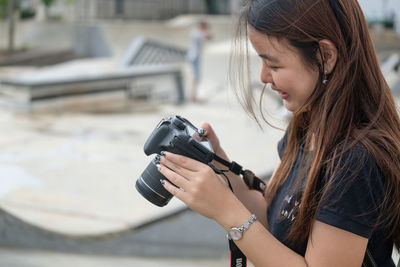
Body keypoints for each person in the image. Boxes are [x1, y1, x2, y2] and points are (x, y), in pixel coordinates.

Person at [158, 0, 400, 266]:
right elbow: (275, 223)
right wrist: (221, 168)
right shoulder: (306, 130)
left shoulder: (354, 160)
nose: (263, 77)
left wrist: (226, 211)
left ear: (325, 57)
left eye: (273, 65)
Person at [186, 20, 212, 102]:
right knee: (196, 77)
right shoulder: (196, 33)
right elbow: (208, 36)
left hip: (194, 56)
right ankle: (192, 96)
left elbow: (209, 37)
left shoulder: (197, 32)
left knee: (196, 77)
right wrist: (206, 31)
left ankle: (193, 95)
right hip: (194, 56)